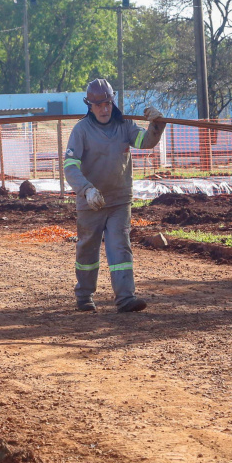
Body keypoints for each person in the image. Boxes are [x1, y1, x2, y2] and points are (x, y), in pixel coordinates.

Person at [63, 78, 165, 312]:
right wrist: (86, 189)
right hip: (91, 203)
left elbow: (145, 141)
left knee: (120, 247)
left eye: (107, 103)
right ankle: (85, 295)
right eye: (98, 105)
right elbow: (70, 166)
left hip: (119, 200)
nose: (104, 109)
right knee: (87, 249)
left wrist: (157, 124)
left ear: (112, 102)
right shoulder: (81, 131)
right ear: (89, 105)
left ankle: (125, 298)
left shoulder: (124, 125)